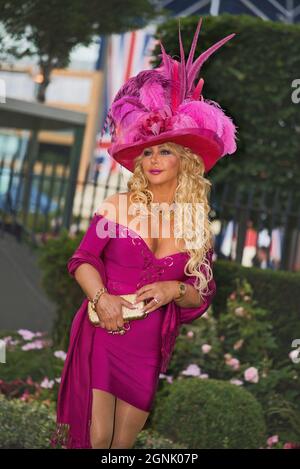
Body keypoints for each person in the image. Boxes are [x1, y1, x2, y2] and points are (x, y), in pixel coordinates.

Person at [51, 16, 238, 450]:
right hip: (103, 325)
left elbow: (200, 295)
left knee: (122, 445)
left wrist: (175, 288)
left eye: (165, 150)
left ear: (185, 161)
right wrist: (102, 298)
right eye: (147, 151)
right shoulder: (117, 206)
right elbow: (82, 260)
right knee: (96, 437)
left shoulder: (196, 226)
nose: (153, 159)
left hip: (147, 341)